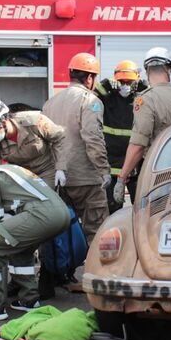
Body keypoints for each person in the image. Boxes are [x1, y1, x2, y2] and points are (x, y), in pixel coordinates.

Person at [0, 157, 69, 321]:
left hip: (40, 214)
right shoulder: (6, 170)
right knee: (19, 248)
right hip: (60, 213)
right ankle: (29, 299)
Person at [42, 53, 110, 244]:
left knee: (63, 232)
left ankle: (63, 272)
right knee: (96, 231)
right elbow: (93, 138)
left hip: (58, 179)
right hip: (86, 178)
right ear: (89, 78)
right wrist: (103, 170)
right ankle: (95, 271)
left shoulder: (51, 102)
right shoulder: (90, 101)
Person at [112, 47, 171, 205]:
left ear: (147, 70)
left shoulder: (146, 100)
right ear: (169, 70)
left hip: (157, 177)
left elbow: (138, 145)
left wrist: (122, 178)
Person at [0, 96, 65, 186]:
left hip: (46, 171)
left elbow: (59, 137)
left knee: (45, 197)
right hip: (22, 178)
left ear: (4, 121)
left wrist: (60, 168)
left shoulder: (35, 121)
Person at [95, 60, 148, 212]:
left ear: (136, 80)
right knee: (112, 210)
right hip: (112, 165)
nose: (125, 85)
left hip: (136, 164)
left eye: (129, 82)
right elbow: (92, 98)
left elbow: (155, 98)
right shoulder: (108, 97)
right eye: (121, 82)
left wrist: (143, 85)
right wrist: (104, 84)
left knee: (140, 210)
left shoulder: (141, 98)